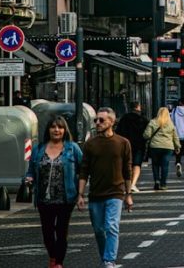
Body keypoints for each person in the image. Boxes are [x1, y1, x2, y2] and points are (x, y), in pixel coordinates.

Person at [77, 107, 133, 268]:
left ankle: (109, 260)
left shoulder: (123, 143)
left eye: (101, 120)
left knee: (111, 226)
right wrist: (80, 195)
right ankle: (105, 258)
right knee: (99, 230)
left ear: (112, 122)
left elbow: (127, 171)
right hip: (95, 194)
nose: (98, 123)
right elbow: (84, 171)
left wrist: (128, 194)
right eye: (96, 120)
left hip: (116, 193)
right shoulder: (90, 144)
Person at [26, 116, 83, 268]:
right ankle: (52, 256)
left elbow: (83, 169)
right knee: (47, 232)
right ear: (48, 130)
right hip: (44, 199)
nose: (56, 130)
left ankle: (58, 263)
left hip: (66, 198)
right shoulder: (39, 149)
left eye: (60, 127)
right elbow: (30, 170)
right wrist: (29, 178)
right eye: (53, 127)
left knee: (61, 231)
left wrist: (81, 193)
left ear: (65, 130)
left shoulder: (72, 148)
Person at [143, 107, 181, 191]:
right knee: (165, 166)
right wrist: (177, 146)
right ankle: (163, 184)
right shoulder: (171, 124)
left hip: (155, 147)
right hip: (168, 147)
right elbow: (175, 137)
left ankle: (156, 180)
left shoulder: (152, 122)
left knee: (155, 165)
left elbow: (146, 135)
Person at [115, 102, 149, 193]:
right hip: (139, 145)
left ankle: (126, 183)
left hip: (126, 144)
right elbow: (147, 133)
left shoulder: (124, 118)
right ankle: (133, 184)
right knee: (137, 164)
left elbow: (118, 131)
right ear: (138, 107)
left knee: (127, 164)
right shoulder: (143, 119)